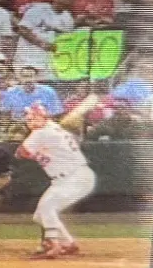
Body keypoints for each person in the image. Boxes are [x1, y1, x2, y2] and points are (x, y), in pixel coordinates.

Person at [18, 96, 100, 258]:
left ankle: (53, 245)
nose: (30, 121)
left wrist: (35, 152)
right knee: (40, 215)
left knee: (48, 208)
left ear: (43, 118)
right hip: (67, 179)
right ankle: (68, 243)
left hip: (74, 177)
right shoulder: (53, 129)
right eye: (30, 118)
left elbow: (21, 152)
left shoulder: (41, 132)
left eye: (34, 117)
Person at [12, 0, 78, 75]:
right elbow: (22, 29)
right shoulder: (38, 9)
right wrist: (42, 44)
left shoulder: (68, 17)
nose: (68, 0)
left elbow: (66, 39)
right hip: (28, 60)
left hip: (50, 64)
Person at [0, 66, 64, 125]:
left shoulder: (48, 91)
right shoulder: (11, 92)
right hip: (19, 126)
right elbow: (5, 115)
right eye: (25, 76)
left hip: (43, 126)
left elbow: (56, 114)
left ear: (36, 78)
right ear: (20, 78)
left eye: (31, 76)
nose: (28, 80)